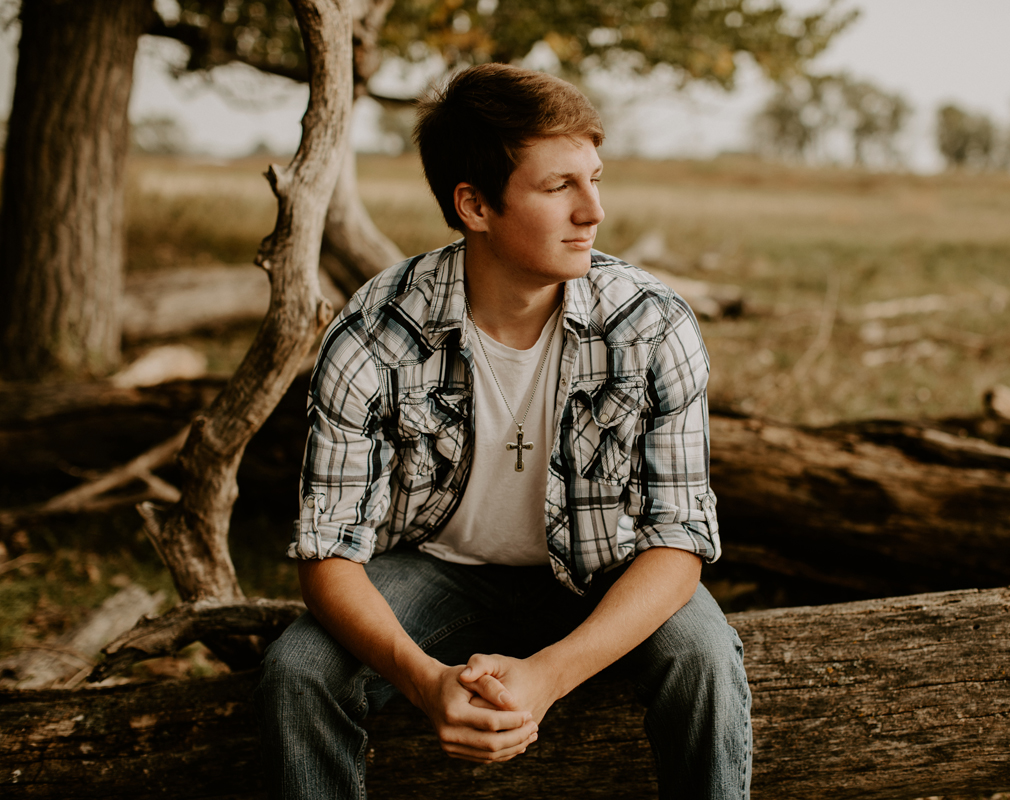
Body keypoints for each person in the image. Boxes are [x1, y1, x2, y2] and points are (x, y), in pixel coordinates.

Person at [255, 62, 752, 800]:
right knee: (298, 671)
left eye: (595, 179)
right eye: (559, 187)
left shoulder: (650, 325)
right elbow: (328, 552)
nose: (594, 211)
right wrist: (425, 683)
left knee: (703, 655)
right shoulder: (374, 334)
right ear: (475, 205)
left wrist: (548, 676)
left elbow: (677, 543)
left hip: (603, 572)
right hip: (433, 571)